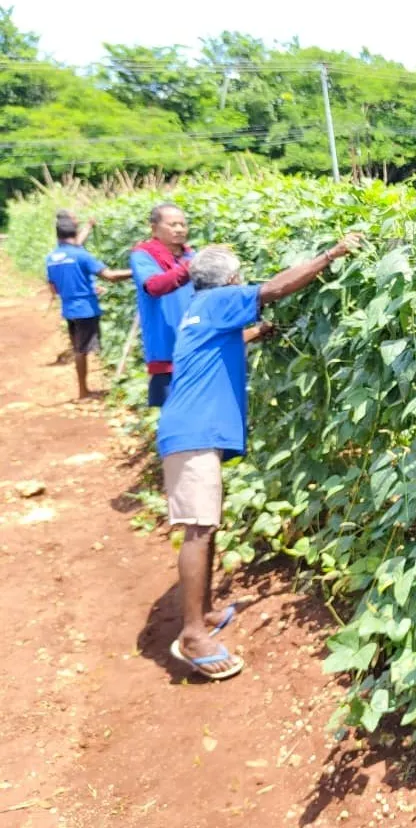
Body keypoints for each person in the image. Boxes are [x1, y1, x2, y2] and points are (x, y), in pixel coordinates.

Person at [159, 234, 359, 681]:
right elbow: (274, 289)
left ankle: (203, 613)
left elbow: (216, 348)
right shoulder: (219, 300)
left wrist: (256, 333)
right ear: (230, 280)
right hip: (193, 433)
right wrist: (331, 254)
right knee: (199, 528)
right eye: (240, 276)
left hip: (187, 428)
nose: (243, 281)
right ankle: (192, 635)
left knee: (205, 525)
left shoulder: (199, 310)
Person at [45, 210, 133, 399]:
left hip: (69, 309)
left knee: (79, 347)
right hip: (86, 309)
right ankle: (83, 392)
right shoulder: (81, 255)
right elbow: (110, 276)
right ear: (75, 234)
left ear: (58, 235)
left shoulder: (51, 258)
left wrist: (79, 289)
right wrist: (137, 270)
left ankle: (84, 390)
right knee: (81, 350)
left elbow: (54, 289)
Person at [129, 203, 196, 407]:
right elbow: (154, 286)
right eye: (172, 224)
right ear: (154, 228)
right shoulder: (143, 255)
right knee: (173, 412)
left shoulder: (190, 255)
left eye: (183, 224)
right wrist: (187, 270)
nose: (179, 229)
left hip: (194, 343)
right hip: (165, 345)